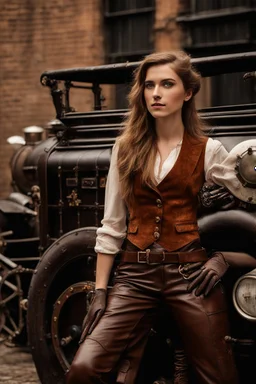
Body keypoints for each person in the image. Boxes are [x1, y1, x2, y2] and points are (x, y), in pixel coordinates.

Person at [66, 50, 242, 384]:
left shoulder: (209, 150)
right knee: (83, 369)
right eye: (149, 85)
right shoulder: (126, 147)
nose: (156, 93)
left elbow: (247, 221)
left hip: (190, 275)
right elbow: (112, 225)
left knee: (220, 377)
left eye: (167, 84)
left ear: (187, 93)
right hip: (134, 276)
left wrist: (226, 259)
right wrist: (101, 290)